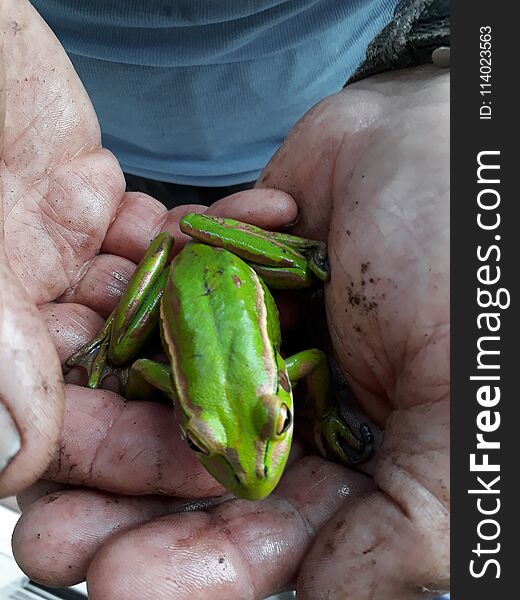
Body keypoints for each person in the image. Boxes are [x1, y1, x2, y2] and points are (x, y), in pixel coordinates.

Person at [0, 1, 449, 599]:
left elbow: (155, 375)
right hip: (72, 139)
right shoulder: (280, 378)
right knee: (131, 336)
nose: (256, 469)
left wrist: (443, 70)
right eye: (203, 442)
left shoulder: (275, 384)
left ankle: (283, 260)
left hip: (317, 109)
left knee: (133, 345)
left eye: (278, 419)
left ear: (279, 397)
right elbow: (177, 371)